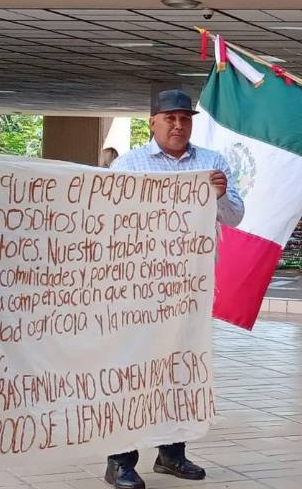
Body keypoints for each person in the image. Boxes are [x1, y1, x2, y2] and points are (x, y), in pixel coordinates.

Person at [106, 89, 244, 489]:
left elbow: (235, 216)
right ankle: (120, 459)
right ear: (153, 122)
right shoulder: (129, 165)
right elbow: (110, 218)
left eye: (185, 118)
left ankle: (171, 453)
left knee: (179, 370)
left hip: (190, 288)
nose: (178, 125)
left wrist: (218, 195)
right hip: (140, 287)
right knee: (134, 371)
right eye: (170, 118)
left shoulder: (211, 163)